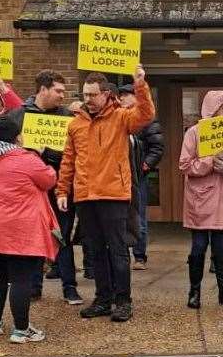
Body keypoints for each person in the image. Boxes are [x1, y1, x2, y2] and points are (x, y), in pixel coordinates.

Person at [56, 66, 154, 322]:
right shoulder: (76, 123)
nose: (88, 99)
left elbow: (146, 114)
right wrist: (62, 190)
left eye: (93, 94)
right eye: (85, 94)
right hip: (86, 196)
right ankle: (102, 298)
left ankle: (123, 301)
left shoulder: (121, 117)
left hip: (113, 195)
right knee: (96, 250)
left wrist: (140, 85)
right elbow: (69, 159)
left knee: (118, 251)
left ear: (106, 94)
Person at [0, 117, 59, 343]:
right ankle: (21, 330)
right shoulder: (25, 159)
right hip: (18, 228)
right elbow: (49, 180)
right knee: (21, 278)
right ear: (15, 137)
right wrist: (40, 155)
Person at [8, 70, 83, 305]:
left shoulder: (67, 117)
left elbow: (72, 152)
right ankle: (33, 287)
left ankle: (69, 288)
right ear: (43, 89)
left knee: (62, 236)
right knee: (31, 236)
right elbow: (10, 149)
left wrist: (48, 154)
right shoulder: (17, 116)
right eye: (58, 90)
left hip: (60, 185)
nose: (63, 95)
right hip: (28, 188)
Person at [179, 90, 223, 309]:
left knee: (220, 249)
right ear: (213, 109)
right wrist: (210, 161)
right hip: (200, 199)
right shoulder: (194, 133)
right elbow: (185, 165)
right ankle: (194, 291)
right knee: (198, 247)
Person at [117, 84, 165, 271]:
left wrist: (144, 166)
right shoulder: (117, 118)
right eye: (120, 95)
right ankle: (121, 254)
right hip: (118, 175)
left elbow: (157, 147)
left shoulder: (147, 120)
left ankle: (139, 255)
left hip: (138, 176)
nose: (122, 98)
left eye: (126, 95)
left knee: (138, 216)